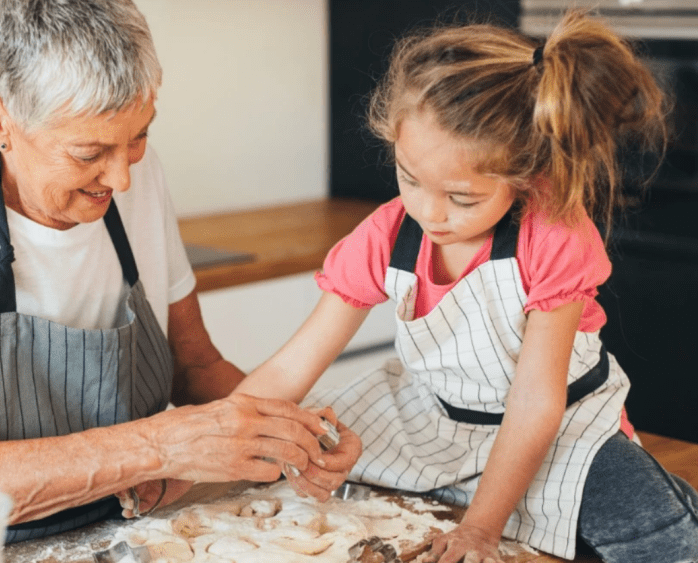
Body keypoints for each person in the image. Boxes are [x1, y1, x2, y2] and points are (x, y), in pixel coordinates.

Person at [0, 0, 360, 543]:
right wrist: (157, 448)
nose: (121, 178)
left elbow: (195, 364)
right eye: (89, 153)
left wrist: (288, 436)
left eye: (138, 136)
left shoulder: (136, 174)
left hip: (113, 535)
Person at [235, 10, 698, 563]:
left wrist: (480, 527)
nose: (429, 213)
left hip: (557, 422)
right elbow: (291, 368)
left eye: (462, 198)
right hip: (432, 415)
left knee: (661, 534)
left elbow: (535, 402)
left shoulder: (551, 236)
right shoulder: (385, 234)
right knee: (302, 444)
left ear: (525, 177)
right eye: (409, 177)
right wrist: (192, 451)